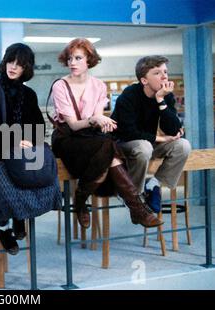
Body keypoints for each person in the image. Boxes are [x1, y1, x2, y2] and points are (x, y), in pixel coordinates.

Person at [50, 38, 163, 230]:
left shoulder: (99, 86)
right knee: (109, 147)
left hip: (91, 137)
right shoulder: (60, 86)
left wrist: (102, 123)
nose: (72, 63)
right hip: (67, 137)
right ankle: (136, 207)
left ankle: (82, 200)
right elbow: (74, 125)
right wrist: (96, 120)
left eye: (78, 58)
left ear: (89, 60)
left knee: (108, 145)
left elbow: (96, 120)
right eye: (69, 59)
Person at [0, 43, 61, 255]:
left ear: (27, 69)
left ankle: (19, 214)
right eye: (10, 61)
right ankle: (2, 226)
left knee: (35, 174)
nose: (12, 67)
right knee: (4, 181)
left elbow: (38, 126)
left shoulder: (29, 94)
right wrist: (13, 140)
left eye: (19, 64)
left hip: (23, 149)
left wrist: (30, 142)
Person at [111, 55, 191, 212]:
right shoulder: (129, 95)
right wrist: (160, 138)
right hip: (123, 143)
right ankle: (132, 193)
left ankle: (153, 184)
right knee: (144, 147)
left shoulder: (165, 95)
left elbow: (174, 130)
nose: (164, 76)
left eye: (165, 72)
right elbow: (128, 132)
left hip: (147, 143)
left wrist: (161, 100)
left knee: (183, 145)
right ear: (144, 80)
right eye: (157, 73)